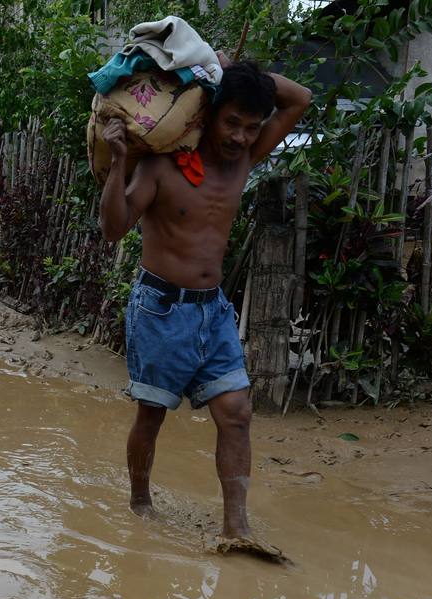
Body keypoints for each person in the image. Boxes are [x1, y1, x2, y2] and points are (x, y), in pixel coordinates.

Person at [98, 57, 311, 554]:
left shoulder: (245, 159)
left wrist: (224, 69)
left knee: (237, 411)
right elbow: (114, 228)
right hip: (160, 307)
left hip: (213, 310)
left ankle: (236, 528)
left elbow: (299, 98)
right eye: (231, 122)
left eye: (250, 127)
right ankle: (139, 504)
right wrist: (118, 162)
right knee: (152, 416)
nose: (240, 136)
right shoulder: (161, 164)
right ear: (210, 114)